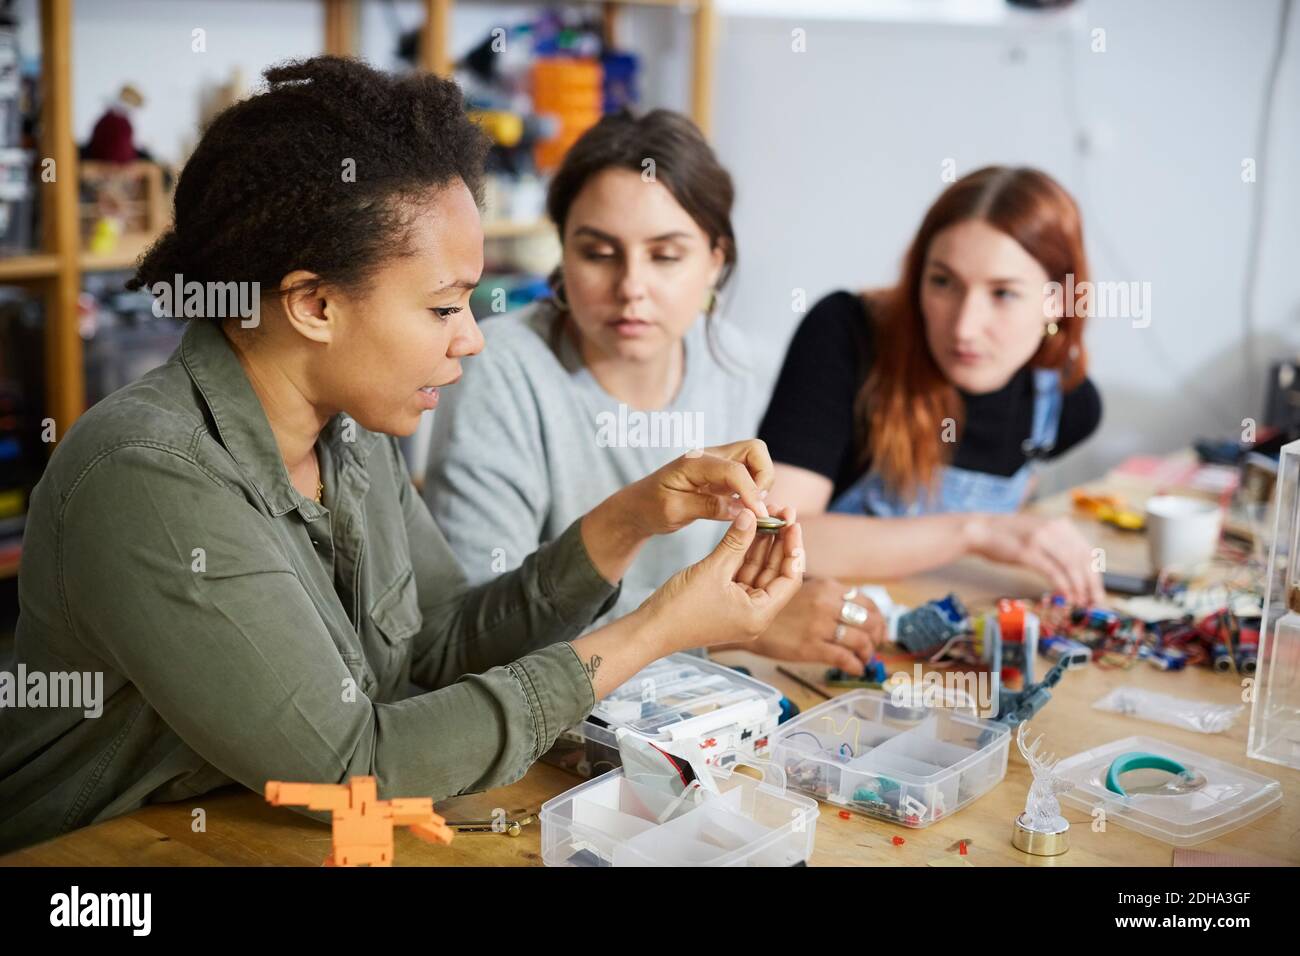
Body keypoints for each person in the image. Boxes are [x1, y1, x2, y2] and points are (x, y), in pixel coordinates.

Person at [0, 59, 803, 854]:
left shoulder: (348, 428)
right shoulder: (149, 475)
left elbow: (442, 643)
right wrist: (660, 627)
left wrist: (633, 517)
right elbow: (354, 767)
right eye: (444, 306)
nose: (472, 336)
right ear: (314, 304)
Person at [423, 110, 886, 679]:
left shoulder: (747, 369)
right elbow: (480, 639)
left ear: (715, 262)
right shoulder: (497, 371)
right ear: (561, 253)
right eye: (597, 253)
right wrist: (732, 637)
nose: (631, 289)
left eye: (666, 256)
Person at [759, 166, 1105, 604]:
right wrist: (975, 531)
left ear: (1056, 301)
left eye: (1002, 293)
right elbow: (774, 536)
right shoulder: (844, 333)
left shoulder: (1068, 406)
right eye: (943, 282)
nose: (964, 327)